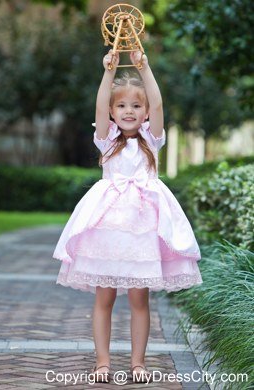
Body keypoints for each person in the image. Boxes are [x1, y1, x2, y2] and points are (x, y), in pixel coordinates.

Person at [53, 49, 203, 383]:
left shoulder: (153, 139)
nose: (129, 111)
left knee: (140, 298)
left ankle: (138, 362)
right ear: (111, 112)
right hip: (108, 230)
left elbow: (160, 105)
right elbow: (99, 104)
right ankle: (102, 362)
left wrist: (144, 67)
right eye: (121, 106)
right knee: (103, 296)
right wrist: (108, 72)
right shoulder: (106, 140)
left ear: (146, 112)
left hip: (143, 232)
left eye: (136, 106)